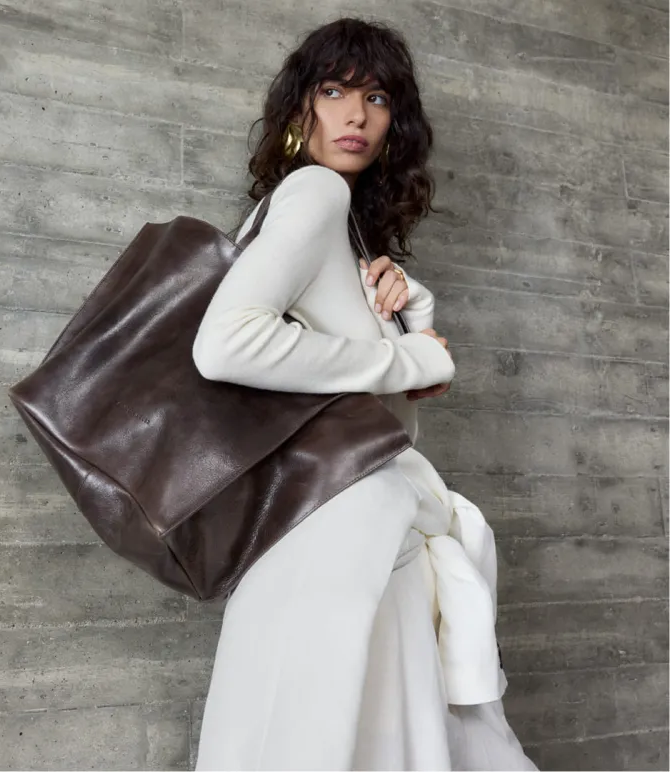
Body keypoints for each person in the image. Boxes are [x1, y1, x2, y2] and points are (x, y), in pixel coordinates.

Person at [191, 17, 538, 772]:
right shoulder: (314, 192)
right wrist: (403, 357)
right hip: (344, 533)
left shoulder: (348, 234)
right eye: (333, 91)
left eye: (377, 98)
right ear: (301, 108)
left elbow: (393, 396)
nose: (355, 115)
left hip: (348, 532)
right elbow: (225, 345)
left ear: (394, 122)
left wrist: (413, 320)